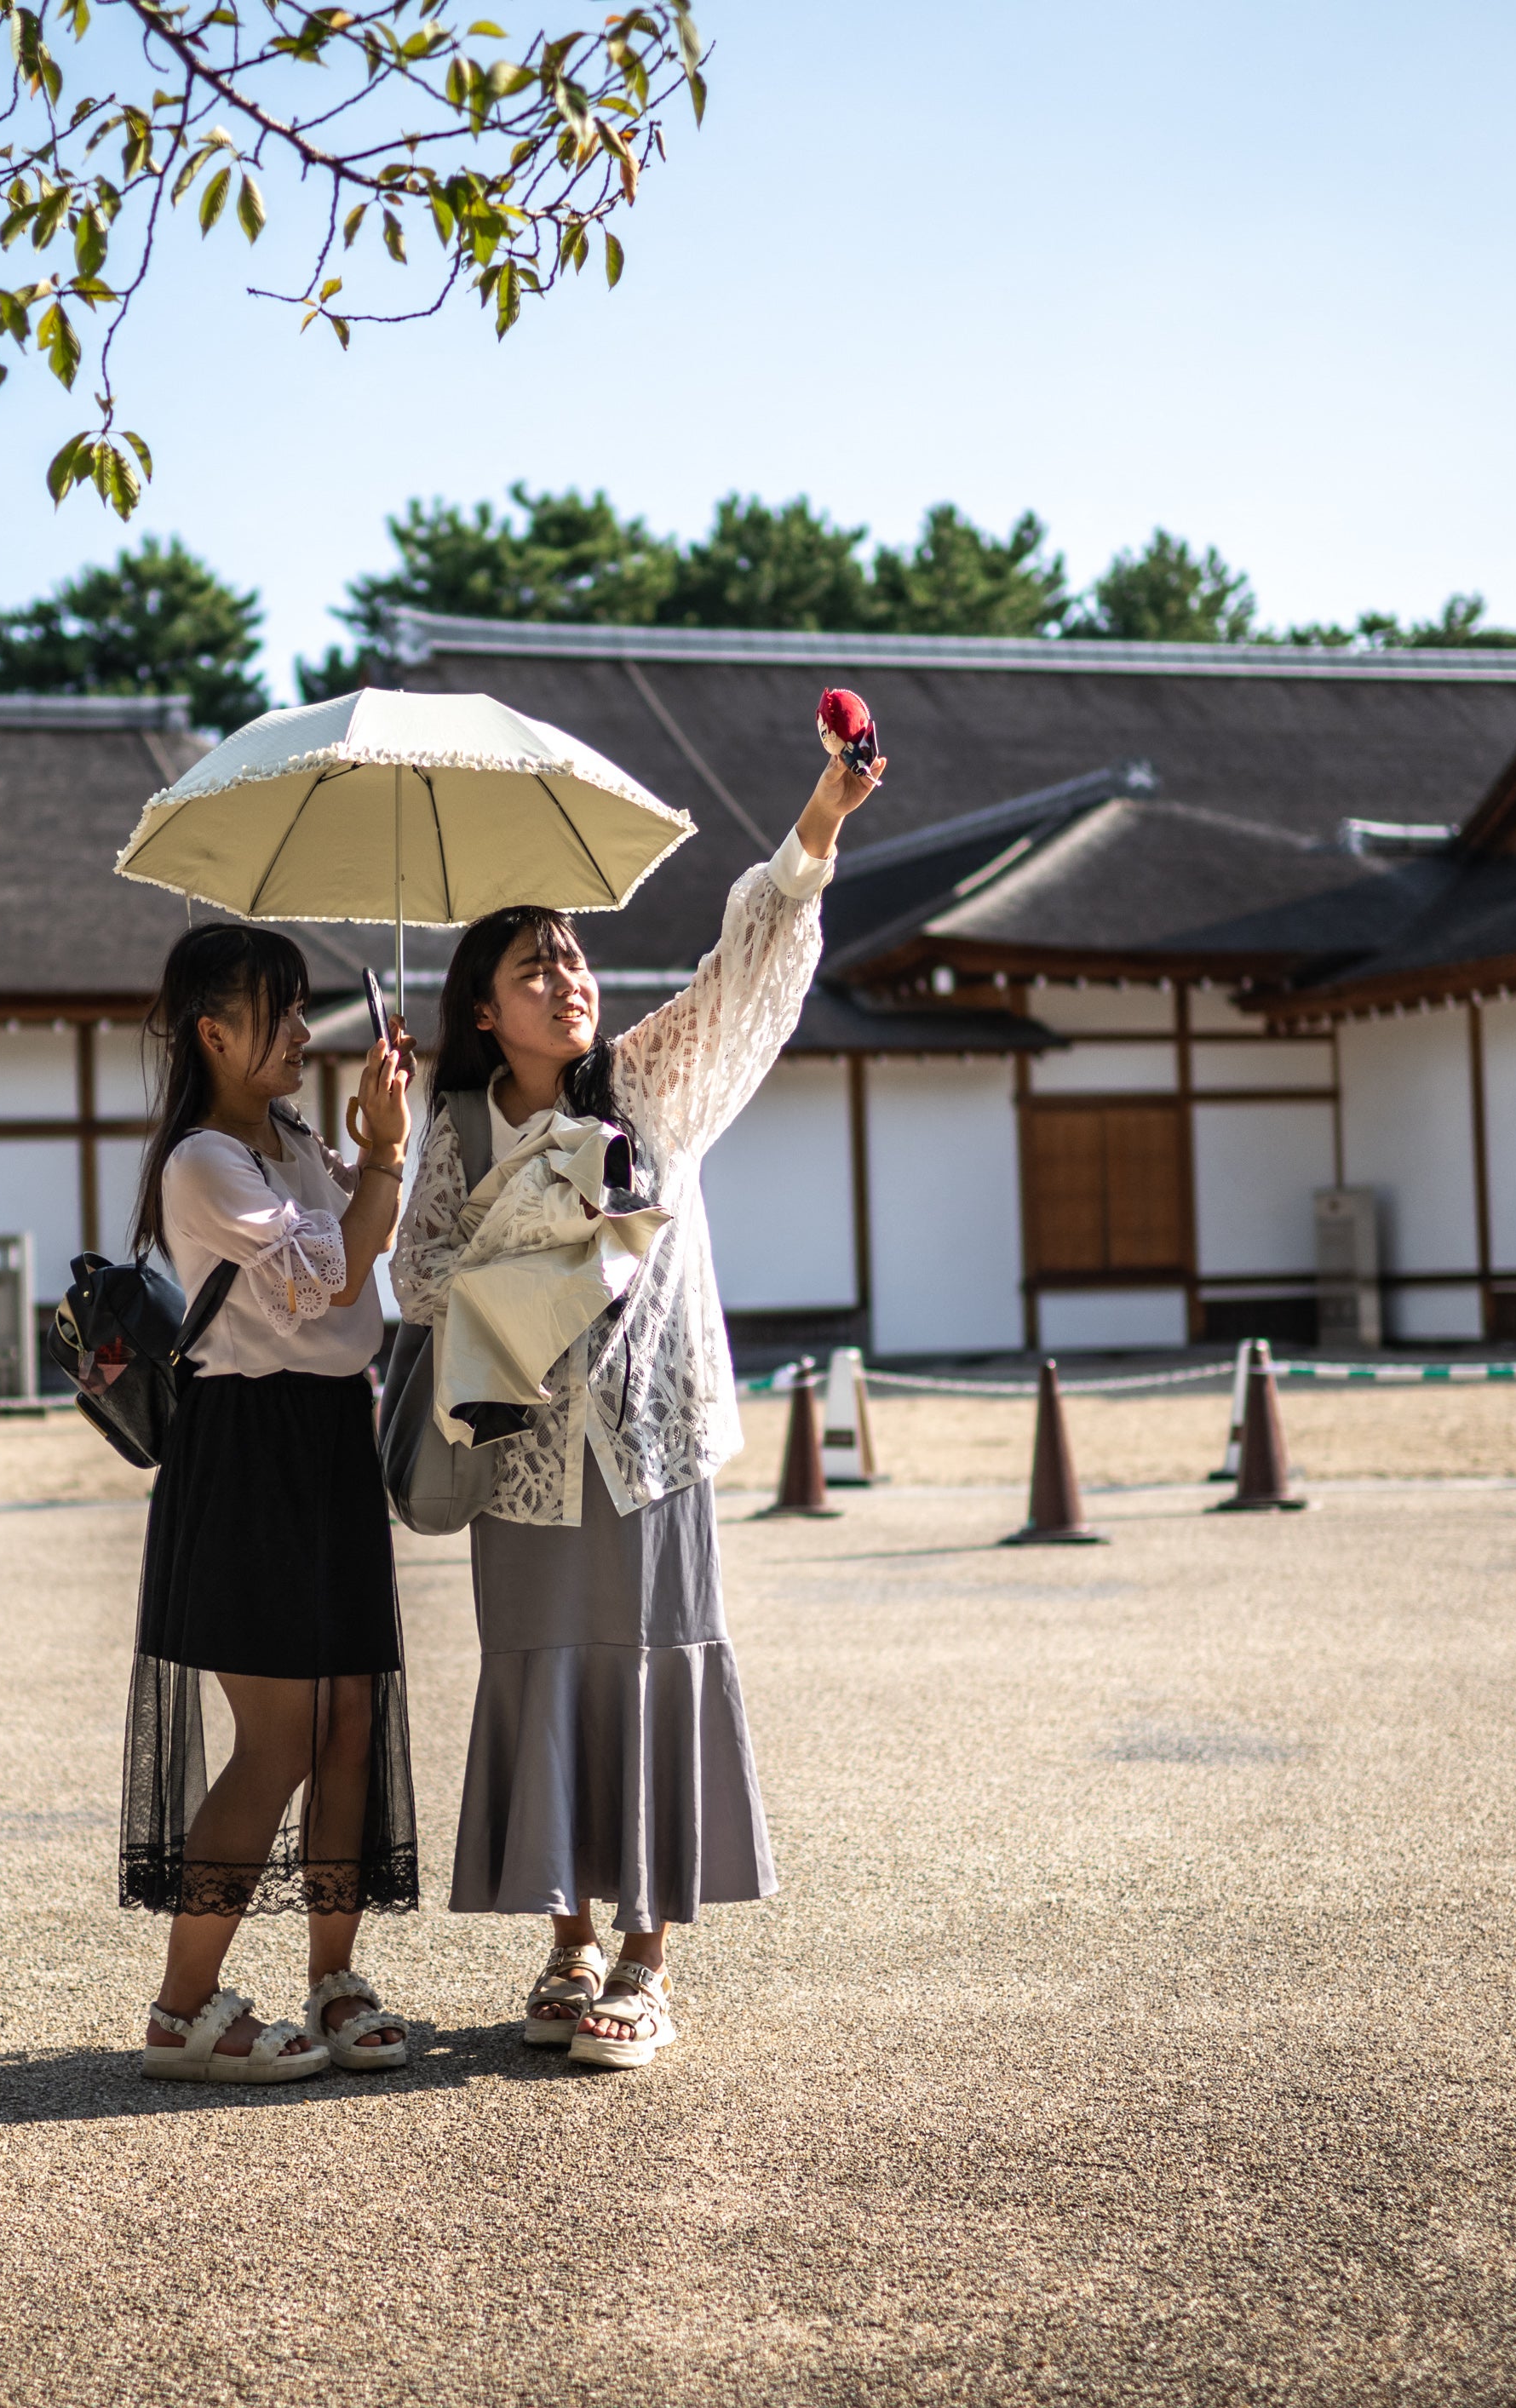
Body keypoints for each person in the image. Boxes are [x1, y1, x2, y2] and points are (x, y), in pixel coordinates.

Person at [393, 731, 884, 2069]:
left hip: (654, 1442)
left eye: (571, 955)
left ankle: (646, 1958)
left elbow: (748, 969)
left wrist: (816, 828)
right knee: (539, 1676)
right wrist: (522, 1261)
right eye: (531, 964)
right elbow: (415, 1273)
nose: (566, 977)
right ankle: (562, 1939)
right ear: (480, 1009)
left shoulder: (652, 1083)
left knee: (659, 1678)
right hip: (524, 1458)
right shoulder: (454, 1135)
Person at [121, 920, 421, 2083]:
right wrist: (379, 1161)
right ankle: (181, 2009)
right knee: (281, 1737)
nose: (302, 1031)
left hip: (325, 1434)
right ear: (214, 1030)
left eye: (301, 1008)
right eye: (280, 1011)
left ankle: (331, 1981)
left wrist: (377, 1148)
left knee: (348, 1721)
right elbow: (331, 1277)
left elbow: (371, 1243)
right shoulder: (202, 1160)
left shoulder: (292, 1138)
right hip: (247, 1446)